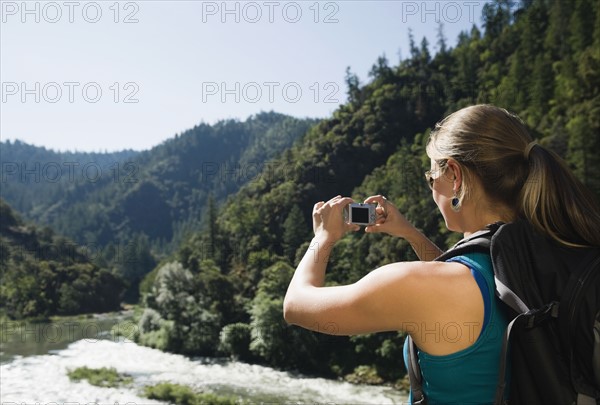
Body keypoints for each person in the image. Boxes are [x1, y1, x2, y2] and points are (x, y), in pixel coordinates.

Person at [283, 104, 600, 404]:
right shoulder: (552, 253)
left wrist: (323, 238)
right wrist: (408, 232)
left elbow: (297, 306)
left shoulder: (417, 285)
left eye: (431, 177)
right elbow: (469, 280)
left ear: (455, 175)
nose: (431, 187)